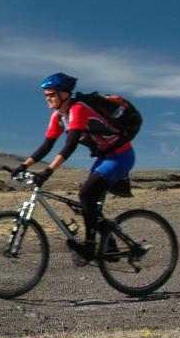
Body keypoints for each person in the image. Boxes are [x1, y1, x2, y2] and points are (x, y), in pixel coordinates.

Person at [12, 72, 136, 259]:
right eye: (46, 95)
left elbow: (70, 145)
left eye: (51, 94)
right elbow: (46, 146)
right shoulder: (58, 117)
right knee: (87, 206)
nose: (48, 99)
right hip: (104, 158)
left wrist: (48, 170)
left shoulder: (78, 109)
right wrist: (23, 165)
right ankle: (110, 245)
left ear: (64, 94)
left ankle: (89, 245)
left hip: (121, 156)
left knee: (86, 194)